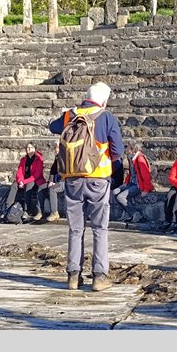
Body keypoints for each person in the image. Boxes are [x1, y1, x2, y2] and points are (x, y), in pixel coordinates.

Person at [48, 82, 124, 291]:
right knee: (99, 228)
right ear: (104, 101)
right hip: (98, 179)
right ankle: (99, 277)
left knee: (75, 229)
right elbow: (118, 150)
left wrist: (67, 114)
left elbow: (52, 127)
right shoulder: (106, 117)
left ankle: (73, 276)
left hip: (72, 179)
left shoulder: (70, 115)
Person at [113, 142, 154, 223]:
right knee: (115, 192)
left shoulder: (140, 158)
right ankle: (127, 213)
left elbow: (146, 175)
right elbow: (131, 172)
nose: (126, 149)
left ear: (132, 149)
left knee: (120, 197)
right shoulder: (131, 157)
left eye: (127, 148)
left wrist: (146, 189)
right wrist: (126, 182)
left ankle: (135, 213)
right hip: (131, 182)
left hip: (138, 185)